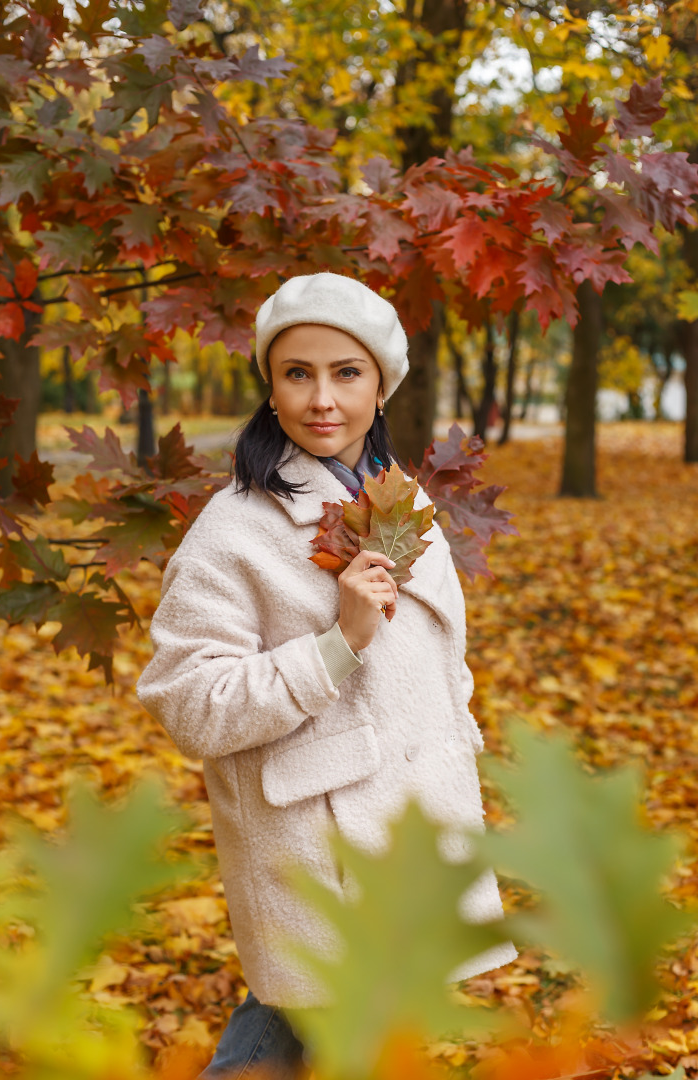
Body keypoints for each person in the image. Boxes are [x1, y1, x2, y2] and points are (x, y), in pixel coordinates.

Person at [136, 273, 517, 1079]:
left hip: (409, 836)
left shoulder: (400, 502)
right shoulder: (235, 530)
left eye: (346, 372)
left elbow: (434, 659)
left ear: (381, 385)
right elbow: (190, 704)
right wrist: (335, 646)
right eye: (297, 373)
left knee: (288, 1034)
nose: (321, 399)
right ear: (269, 389)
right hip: (320, 853)